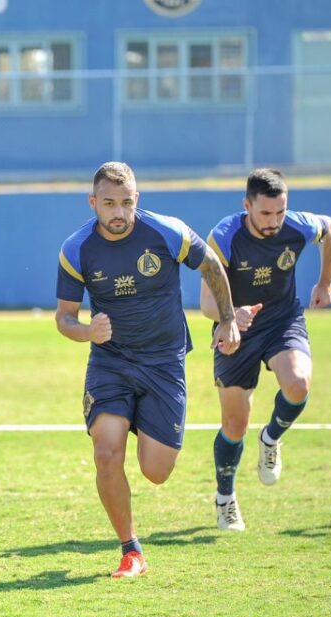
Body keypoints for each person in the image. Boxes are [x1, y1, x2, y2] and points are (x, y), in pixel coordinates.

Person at [54, 162, 240, 578]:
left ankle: (139, 419)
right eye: (108, 204)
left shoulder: (167, 233)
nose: (118, 212)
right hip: (111, 361)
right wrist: (88, 332)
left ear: (137, 199)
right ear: (93, 203)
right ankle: (130, 550)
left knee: (156, 471)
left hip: (163, 361)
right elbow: (64, 318)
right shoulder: (76, 249)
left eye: (126, 203)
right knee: (106, 452)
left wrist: (227, 319)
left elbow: (211, 264)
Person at [200, 168, 331, 532]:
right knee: (234, 423)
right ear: (247, 205)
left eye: (280, 212)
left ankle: (271, 438)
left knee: (298, 384)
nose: (274, 222)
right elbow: (205, 305)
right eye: (265, 213)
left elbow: (330, 227)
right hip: (235, 330)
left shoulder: (298, 226)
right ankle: (225, 499)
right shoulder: (224, 237)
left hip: (281, 320)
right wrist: (232, 314)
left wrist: (325, 282)